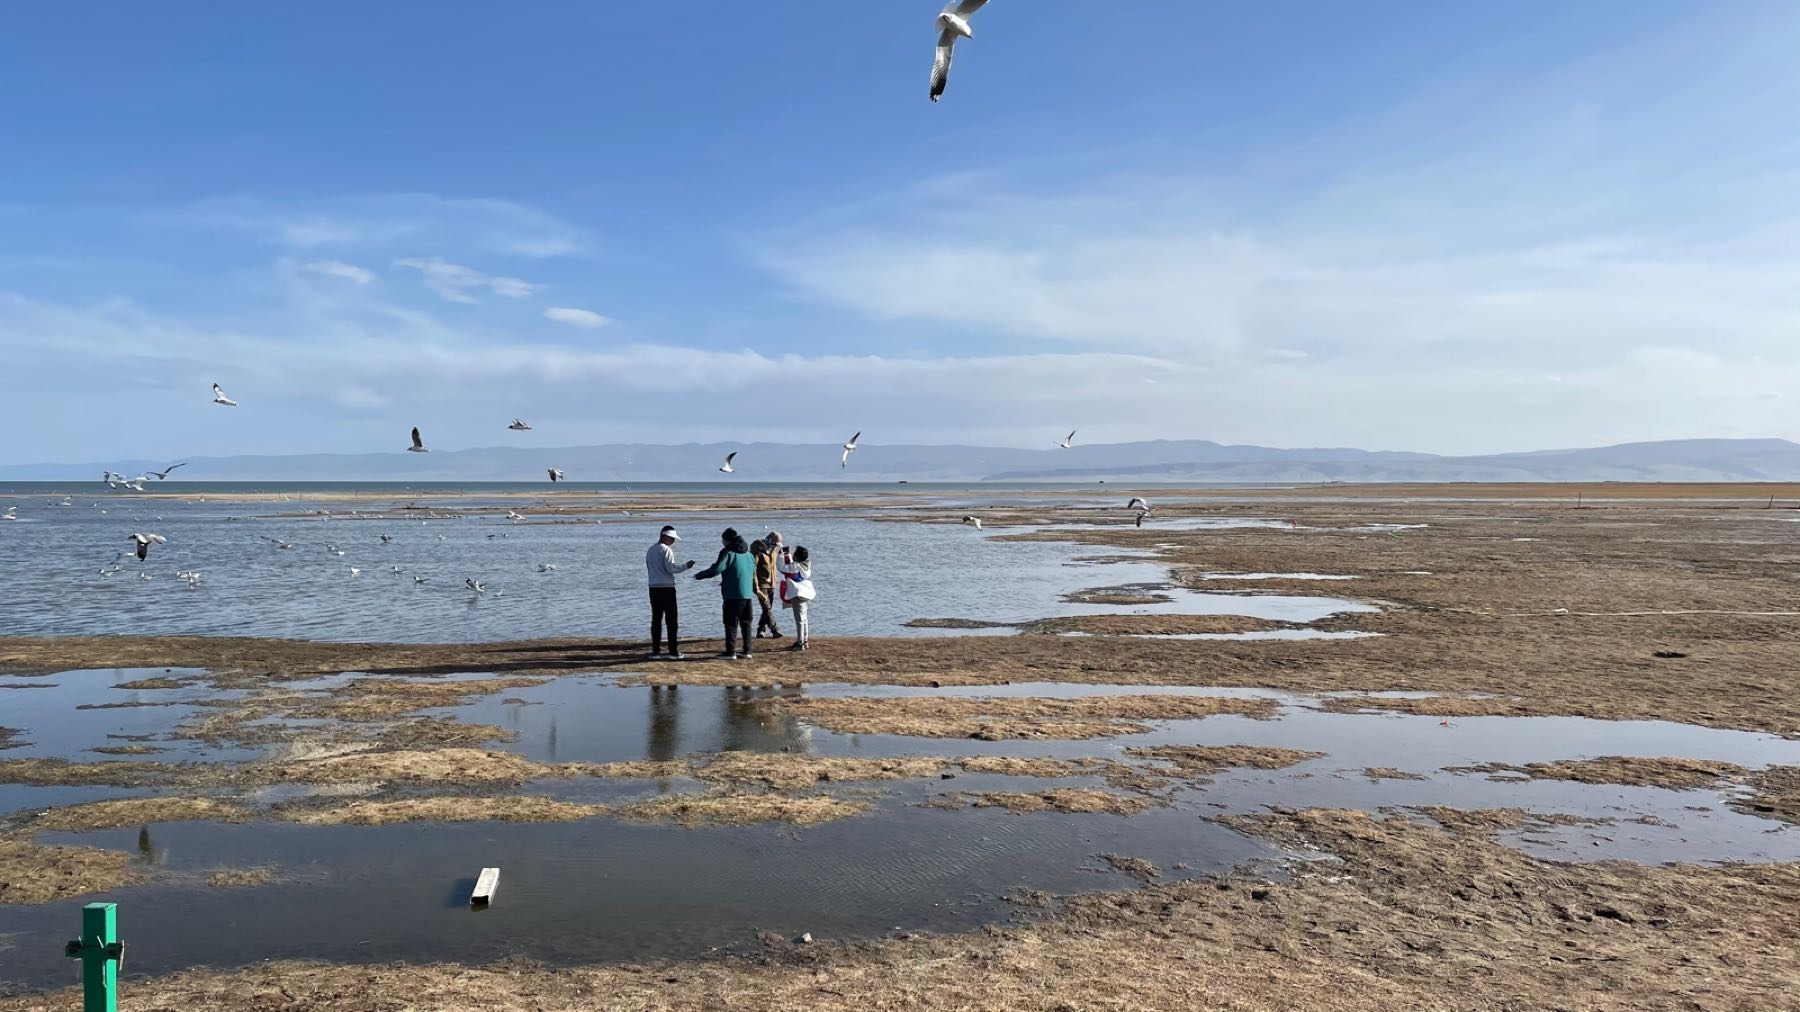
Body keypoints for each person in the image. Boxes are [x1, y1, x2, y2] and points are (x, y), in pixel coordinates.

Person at [694, 527, 757, 659]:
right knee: (746, 623)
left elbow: (717, 569)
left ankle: (730, 652)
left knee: (730, 623)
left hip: (732, 594)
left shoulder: (727, 552)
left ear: (727, 540)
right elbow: (752, 571)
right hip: (747, 593)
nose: (722, 543)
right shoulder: (749, 554)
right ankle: (747, 651)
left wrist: (699, 575)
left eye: (722, 540)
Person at [645, 525, 695, 660]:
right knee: (671, 620)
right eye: (672, 538)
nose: (673, 541)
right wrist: (685, 566)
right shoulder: (666, 550)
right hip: (667, 588)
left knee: (656, 620)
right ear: (665, 536)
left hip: (653, 588)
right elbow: (670, 568)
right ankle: (673, 651)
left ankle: (655, 651)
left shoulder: (650, 550)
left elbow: (650, 568)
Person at [778, 545, 814, 651]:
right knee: (804, 618)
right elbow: (790, 565)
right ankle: (805, 641)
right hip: (805, 593)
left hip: (797, 594)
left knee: (799, 620)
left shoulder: (796, 567)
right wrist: (787, 554)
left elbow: (781, 567)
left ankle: (800, 643)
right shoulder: (805, 566)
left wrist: (780, 555)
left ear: (797, 557)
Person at [751, 535, 785, 640]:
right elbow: (753, 568)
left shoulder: (776, 548)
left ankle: (760, 630)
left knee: (767, 608)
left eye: (777, 545)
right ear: (769, 541)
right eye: (775, 544)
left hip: (772, 583)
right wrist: (755, 586)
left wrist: (785, 554)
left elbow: (780, 558)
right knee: (767, 607)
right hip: (761, 584)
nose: (776, 546)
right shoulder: (757, 550)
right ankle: (775, 630)